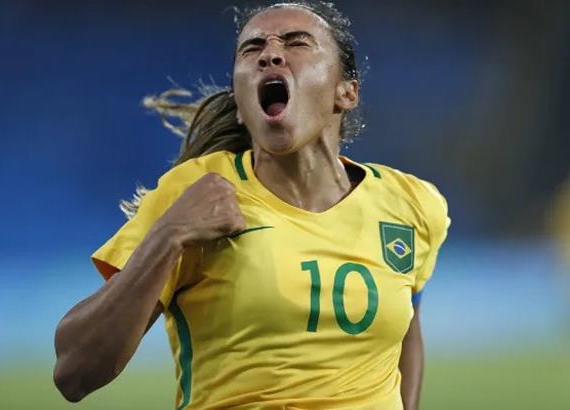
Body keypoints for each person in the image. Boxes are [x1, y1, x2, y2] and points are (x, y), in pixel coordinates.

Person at [53, 1, 450, 409]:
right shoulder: (196, 191)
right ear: (242, 107)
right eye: (252, 48)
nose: (271, 53)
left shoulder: (411, 203)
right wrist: (168, 236)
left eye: (297, 42)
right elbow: (74, 372)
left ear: (345, 92)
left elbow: (404, 330)